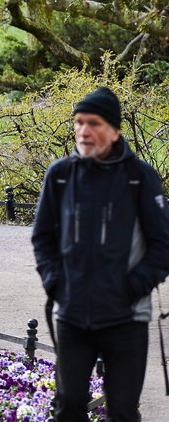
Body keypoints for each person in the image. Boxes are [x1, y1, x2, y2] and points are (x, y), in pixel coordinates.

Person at [32, 87, 169, 421]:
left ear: (114, 130)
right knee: (69, 407)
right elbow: (42, 237)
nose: (83, 131)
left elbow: (164, 245)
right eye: (78, 122)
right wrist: (55, 283)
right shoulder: (60, 176)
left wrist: (131, 287)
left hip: (126, 318)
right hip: (73, 316)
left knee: (122, 411)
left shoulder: (140, 178)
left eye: (93, 123)